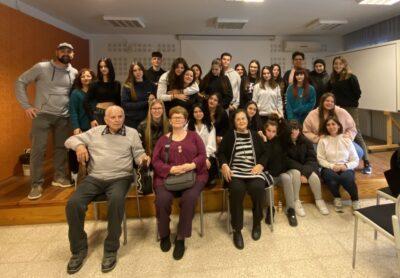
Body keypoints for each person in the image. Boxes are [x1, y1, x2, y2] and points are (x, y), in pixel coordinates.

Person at [64, 106, 150, 274]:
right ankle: (78, 250)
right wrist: (80, 146)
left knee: (116, 201)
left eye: (120, 116)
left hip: (120, 177)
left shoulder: (131, 133)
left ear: (124, 117)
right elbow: (69, 141)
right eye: (113, 117)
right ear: (106, 119)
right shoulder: (95, 131)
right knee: (73, 204)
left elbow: (138, 154)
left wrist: (143, 159)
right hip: (94, 177)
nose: (117, 120)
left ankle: (110, 249)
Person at [15, 42, 77, 199]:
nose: (65, 53)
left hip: (64, 116)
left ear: (72, 55)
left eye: (69, 51)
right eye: (62, 50)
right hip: (42, 115)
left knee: (61, 148)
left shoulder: (74, 72)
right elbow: (20, 81)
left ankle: (60, 177)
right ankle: (36, 184)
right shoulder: (41, 67)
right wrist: (26, 106)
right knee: (38, 150)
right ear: (56, 52)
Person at [152, 106, 208, 260]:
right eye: (174, 117)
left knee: (189, 199)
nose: (177, 119)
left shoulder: (194, 136)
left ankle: (181, 238)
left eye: (180, 117)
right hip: (167, 177)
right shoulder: (163, 140)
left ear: (186, 120)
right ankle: (164, 234)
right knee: (162, 199)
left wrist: (191, 165)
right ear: (170, 120)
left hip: (194, 175)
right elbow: (155, 161)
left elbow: (203, 155)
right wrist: (170, 169)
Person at [217, 109, 273, 249]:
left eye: (243, 118)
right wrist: (224, 165)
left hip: (253, 171)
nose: (241, 121)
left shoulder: (255, 135)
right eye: (238, 119)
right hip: (235, 172)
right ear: (234, 122)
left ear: (248, 121)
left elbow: (266, 153)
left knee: (258, 188)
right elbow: (221, 153)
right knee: (236, 190)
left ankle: (256, 222)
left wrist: (260, 164)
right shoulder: (230, 136)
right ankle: (237, 230)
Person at [327, 56, 371, 174]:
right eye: (335, 63)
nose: (337, 66)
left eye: (340, 64)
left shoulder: (351, 77)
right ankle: (344, 162)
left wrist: (348, 103)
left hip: (350, 109)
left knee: (356, 133)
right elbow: (327, 93)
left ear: (344, 65)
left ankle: (367, 162)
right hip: (337, 109)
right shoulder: (332, 79)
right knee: (340, 133)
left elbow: (358, 93)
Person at [284, 120, 329, 216]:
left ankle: (319, 200)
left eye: (296, 129)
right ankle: (296, 201)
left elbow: (312, 159)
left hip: (306, 167)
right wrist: (302, 171)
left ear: (299, 130)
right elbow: (287, 161)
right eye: (291, 130)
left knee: (314, 177)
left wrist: (305, 173)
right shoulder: (284, 142)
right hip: (291, 168)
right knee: (296, 174)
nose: (293, 132)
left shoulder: (306, 142)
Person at [317, 116, 360, 212]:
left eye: (333, 124)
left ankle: (355, 200)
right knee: (331, 178)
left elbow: (355, 160)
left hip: (345, 167)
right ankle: (337, 198)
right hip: (329, 167)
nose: (331, 127)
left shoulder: (346, 139)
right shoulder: (323, 140)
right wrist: (332, 166)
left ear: (339, 126)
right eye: (328, 125)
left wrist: (346, 166)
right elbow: (320, 159)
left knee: (346, 178)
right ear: (325, 127)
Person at [302, 93, 364, 159]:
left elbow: (352, 128)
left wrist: (348, 136)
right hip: (321, 142)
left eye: (332, 101)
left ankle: (343, 164)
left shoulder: (341, 112)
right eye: (327, 101)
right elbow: (306, 131)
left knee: (359, 152)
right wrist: (317, 138)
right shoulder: (312, 114)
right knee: (314, 153)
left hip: (340, 141)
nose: (329, 103)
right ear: (322, 101)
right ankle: (327, 165)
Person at [263, 118, 298, 227]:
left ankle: (291, 209)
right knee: (269, 182)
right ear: (265, 130)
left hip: (280, 173)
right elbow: (265, 157)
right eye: (269, 130)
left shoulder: (280, 141)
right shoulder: (262, 141)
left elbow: (288, 130)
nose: (271, 134)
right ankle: (270, 209)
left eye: (273, 131)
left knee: (287, 178)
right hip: (269, 175)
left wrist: (281, 119)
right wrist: (265, 142)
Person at [69, 68, 96, 183]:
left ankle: (91, 174)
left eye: (88, 76)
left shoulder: (96, 91)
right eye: (83, 76)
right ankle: (74, 174)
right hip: (82, 126)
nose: (86, 78)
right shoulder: (76, 93)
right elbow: (73, 111)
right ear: (79, 79)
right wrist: (76, 127)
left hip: (95, 126)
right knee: (75, 149)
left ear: (92, 77)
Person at [188, 102, 218, 186]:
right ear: (192, 113)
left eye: (200, 111)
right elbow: (187, 145)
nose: (198, 114)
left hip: (207, 156)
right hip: (192, 156)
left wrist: (205, 157)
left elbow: (211, 145)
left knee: (208, 180)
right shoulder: (188, 126)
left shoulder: (210, 126)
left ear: (204, 112)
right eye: (195, 112)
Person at [84, 58, 121, 126]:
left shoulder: (117, 84)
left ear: (110, 67)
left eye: (105, 66)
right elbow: (86, 101)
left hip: (113, 114)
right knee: (99, 136)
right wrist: (92, 119)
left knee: (114, 136)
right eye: (101, 67)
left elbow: (119, 102)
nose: (103, 68)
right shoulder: (94, 84)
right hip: (99, 114)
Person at [121, 62, 156, 129]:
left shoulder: (151, 85)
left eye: (139, 69)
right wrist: (146, 103)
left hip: (147, 119)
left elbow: (155, 102)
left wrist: (153, 100)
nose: (138, 72)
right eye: (135, 70)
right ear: (132, 73)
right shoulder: (127, 86)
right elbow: (125, 105)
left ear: (143, 70)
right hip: (131, 120)